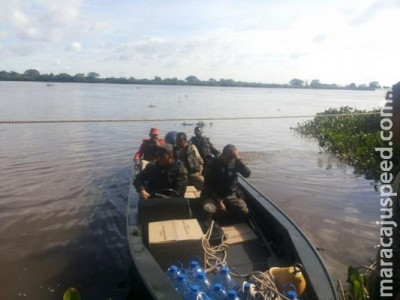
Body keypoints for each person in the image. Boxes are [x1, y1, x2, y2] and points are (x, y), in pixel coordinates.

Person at [201, 144, 251, 222]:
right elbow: (208, 187)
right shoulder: (212, 164)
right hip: (213, 195)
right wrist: (219, 202)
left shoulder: (235, 162)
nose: (229, 160)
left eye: (232, 158)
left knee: (244, 211)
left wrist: (238, 158)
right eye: (228, 158)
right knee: (208, 210)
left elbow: (247, 174)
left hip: (230, 195)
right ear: (223, 154)